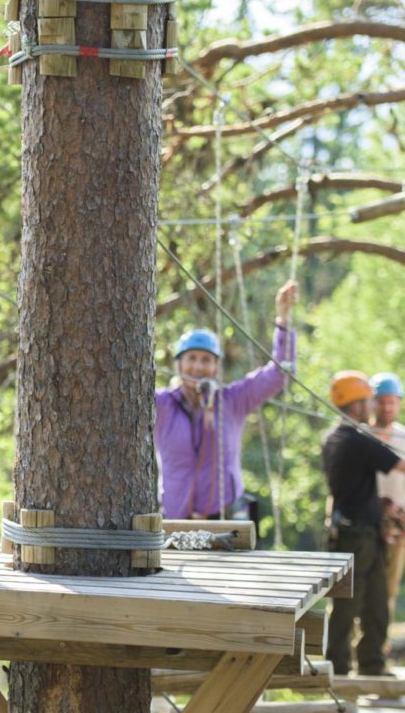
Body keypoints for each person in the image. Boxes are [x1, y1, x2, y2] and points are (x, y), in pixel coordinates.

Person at [155, 280, 298, 520]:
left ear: (216, 367)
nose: (198, 366)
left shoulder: (232, 401)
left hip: (225, 519)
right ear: (178, 364)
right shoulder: (161, 405)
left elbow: (279, 374)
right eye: (191, 358)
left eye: (206, 359)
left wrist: (283, 320)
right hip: (174, 520)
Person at [322, 371, 405, 676]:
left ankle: (364, 664)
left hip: (354, 531)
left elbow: (353, 483)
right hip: (359, 536)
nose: (373, 405)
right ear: (357, 405)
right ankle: (344, 667)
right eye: (369, 400)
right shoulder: (359, 441)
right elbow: (400, 464)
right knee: (356, 605)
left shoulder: (333, 437)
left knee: (372, 603)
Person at [370, 372, 405, 628]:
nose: (387, 407)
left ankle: (376, 654)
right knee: (356, 587)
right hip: (365, 518)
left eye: (392, 401)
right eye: (382, 401)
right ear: (372, 402)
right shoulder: (360, 436)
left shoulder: (403, 438)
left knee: (388, 588)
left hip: (397, 521)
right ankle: (346, 654)